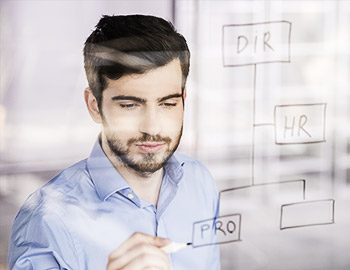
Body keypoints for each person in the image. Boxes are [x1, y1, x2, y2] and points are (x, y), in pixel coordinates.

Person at [8, 14, 220, 270]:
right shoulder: (46, 220)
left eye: (168, 103)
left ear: (183, 99)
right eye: (130, 105)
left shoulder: (200, 184)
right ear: (94, 105)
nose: (152, 127)